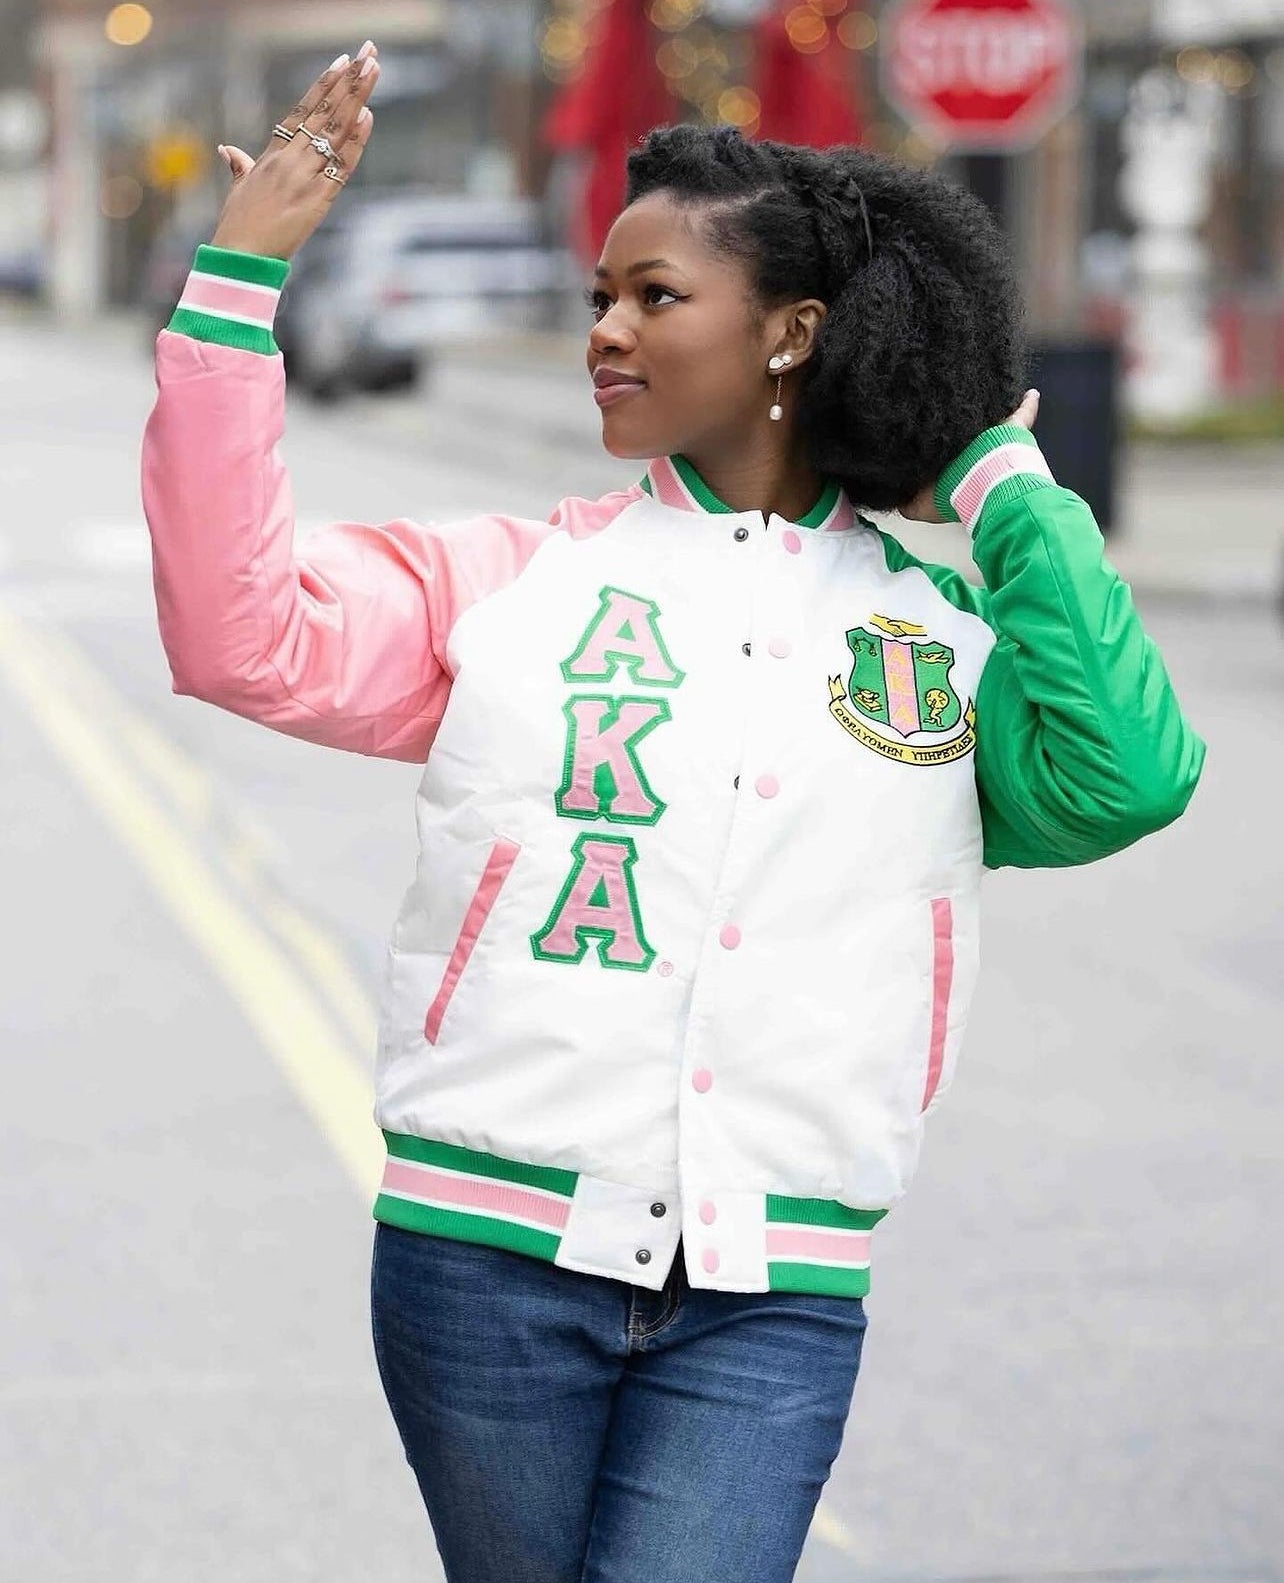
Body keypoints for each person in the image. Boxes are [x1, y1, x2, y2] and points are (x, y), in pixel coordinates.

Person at [140, 38, 1205, 1583]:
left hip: (774, 1291)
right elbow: (240, 635)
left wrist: (991, 468)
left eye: (655, 297)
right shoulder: (514, 582)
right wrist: (233, 290)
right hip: (486, 1269)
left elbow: (1128, 775)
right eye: (599, 300)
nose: (607, 334)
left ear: (794, 334)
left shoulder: (934, 637)